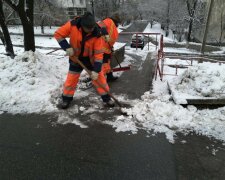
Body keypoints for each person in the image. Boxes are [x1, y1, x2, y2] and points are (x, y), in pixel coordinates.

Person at [54, 12, 115, 109]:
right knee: (71, 79)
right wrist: (67, 47)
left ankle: (107, 98)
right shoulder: (72, 25)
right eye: (88, 28)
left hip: (90, 60)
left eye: (92, 28)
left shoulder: (97, 34)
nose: (90, 30)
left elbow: (99, 54)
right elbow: (58, 34)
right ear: (82, 25)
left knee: (100, 78)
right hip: (76, 58)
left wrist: (96, 70)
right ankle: (66, 99)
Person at [98, 13, 121, 82]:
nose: (118, 25)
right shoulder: (109, 21)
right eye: (118, 23)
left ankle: (109, 76)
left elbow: (111, 39)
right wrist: (105, 33)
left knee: (106, 63)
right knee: (103, 63)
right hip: (100, 47)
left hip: (106, 49)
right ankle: (101, 78)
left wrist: (111, 47)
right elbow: (100, 23)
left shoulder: (114, 28)